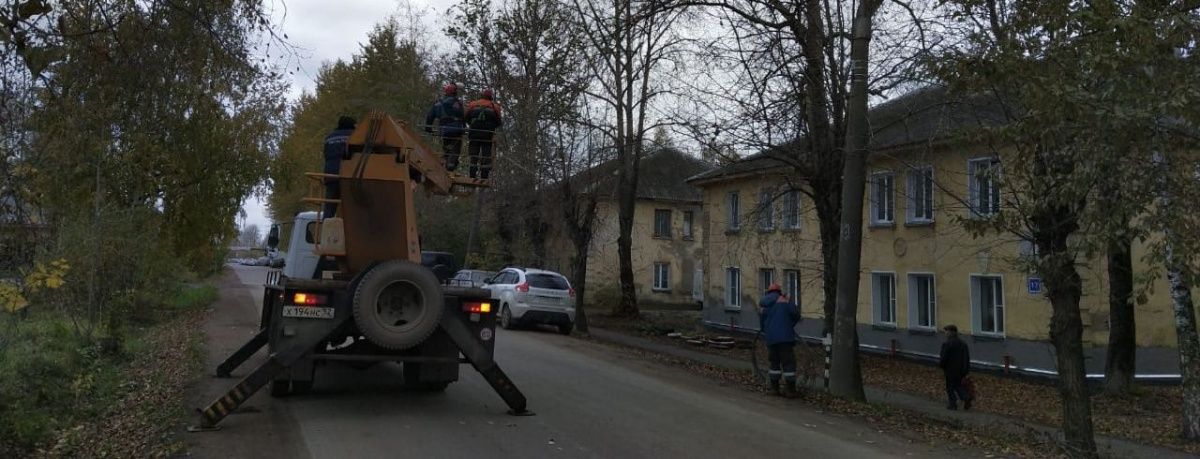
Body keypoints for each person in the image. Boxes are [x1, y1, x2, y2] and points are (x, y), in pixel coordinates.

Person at [759, 283, 801, 398]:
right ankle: (790, 390)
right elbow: (796, 315)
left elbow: (762, 324)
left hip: (771, 339)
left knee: (774, 363)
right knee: (788, 363)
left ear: (768, 292)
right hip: (785, 338)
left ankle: (774, 389)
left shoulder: (763, 304)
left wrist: (767, 332)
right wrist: (789, 324)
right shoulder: (785, 300)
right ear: (779, 291)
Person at [425, 83, 466, 173]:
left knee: (447, 147)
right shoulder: (457, 103)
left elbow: (430, 116)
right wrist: (464, 128)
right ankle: (450, 166)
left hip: (444, 130)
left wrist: (428, 128)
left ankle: (447, 163)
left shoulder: (438, 103)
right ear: (454, 92)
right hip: (456, 129)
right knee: (455, 149)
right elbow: (462, 116)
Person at [464, 88, 504, 179]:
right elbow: (499, 122)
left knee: (473, 155)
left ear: (481, 95)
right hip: (487, 135)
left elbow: (465, 118)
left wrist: (472, 125)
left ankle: (472, 176)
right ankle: (484, 177)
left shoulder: (472, 105)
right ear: (491, 97)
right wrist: (491, 127)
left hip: (474, 134)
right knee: (486, 155)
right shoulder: (495, 107)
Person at [322, 116, 356, 218]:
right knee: (352, 207)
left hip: (330, 175)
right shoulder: (355, 135)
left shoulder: (329, 138)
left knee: (329, 207)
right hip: (349, 176)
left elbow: (326, 155)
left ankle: (325, 229)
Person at [939, 324, 973, 410]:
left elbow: (944, 357)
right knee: (958, 385)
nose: (945, 333)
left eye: (946, 331)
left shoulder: (947, 344)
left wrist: (941, 365)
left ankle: (953, 404)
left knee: (950, 387)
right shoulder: (963, 344)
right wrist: (966, 370)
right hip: (961, 369)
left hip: (950, 369)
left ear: (951, 332)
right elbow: (966, 357)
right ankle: (966, 397)